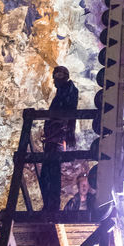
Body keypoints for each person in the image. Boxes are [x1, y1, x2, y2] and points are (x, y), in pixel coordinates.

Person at [39, 65, 79, 213]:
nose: (55, 79)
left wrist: (68, 133)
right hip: (54, 137)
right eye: (55, 75)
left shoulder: (69, 90)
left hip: (57, 137)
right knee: (48, 173)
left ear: (64, 76)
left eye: (58, 75)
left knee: (50, 173)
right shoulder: (63, 91)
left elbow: (71, 112)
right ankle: (50, 205)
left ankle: (51, 206)